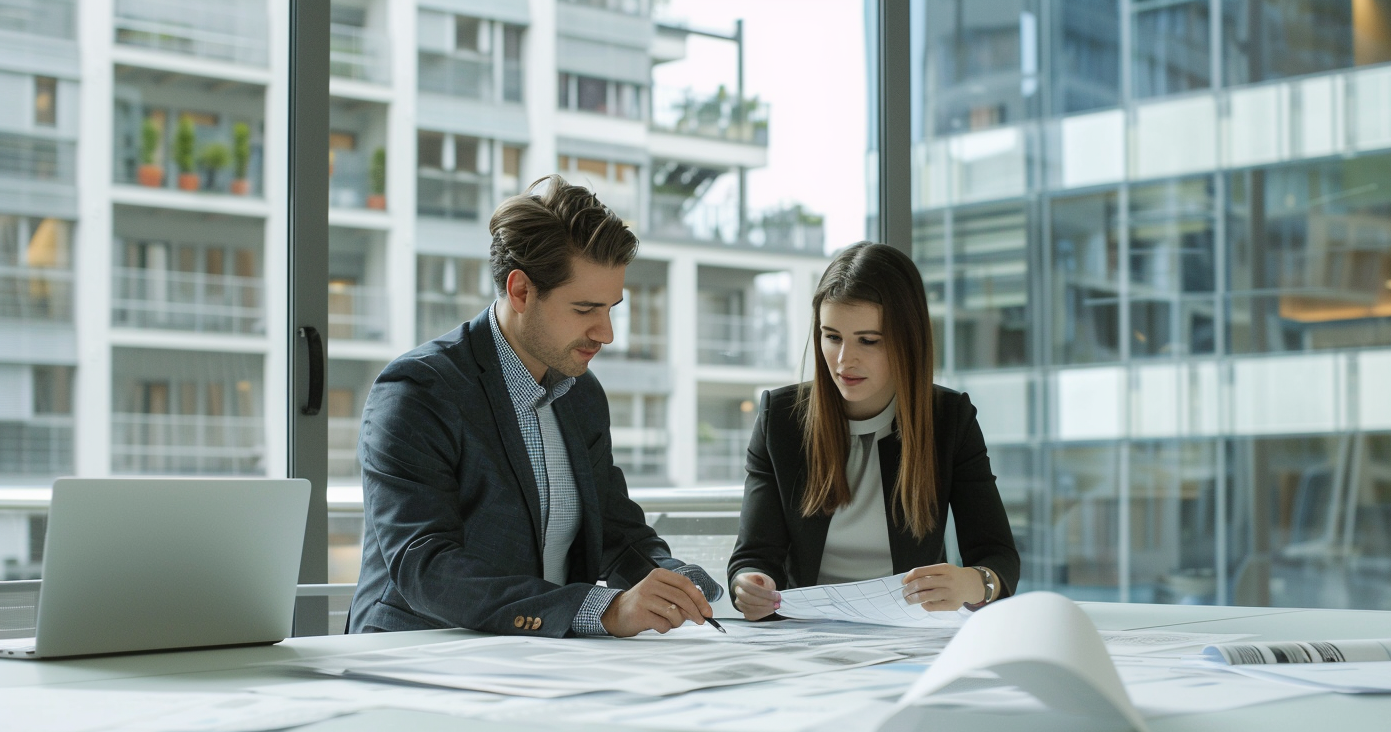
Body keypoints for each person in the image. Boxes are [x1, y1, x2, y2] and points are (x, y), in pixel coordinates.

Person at [348, 175, 720, 638]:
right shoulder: (418, 392)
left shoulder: (582, 394)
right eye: (585, 310)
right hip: (418, 652)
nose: (606, 334)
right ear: (521, 291)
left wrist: (673, 579)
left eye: (611, 308)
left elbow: (616, 532)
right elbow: (427, 566)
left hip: (537, 660)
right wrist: (601, 609)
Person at [727, 241, 1019, 620]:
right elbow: (752, 557)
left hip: (914, 632)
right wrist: (750, 584)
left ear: (907, 340)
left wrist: (974, 583)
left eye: (868, 340)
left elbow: (998, 556)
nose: (845, 360)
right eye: (832, 337)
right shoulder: (780, 418)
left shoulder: (949, 419)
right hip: (808, 635)